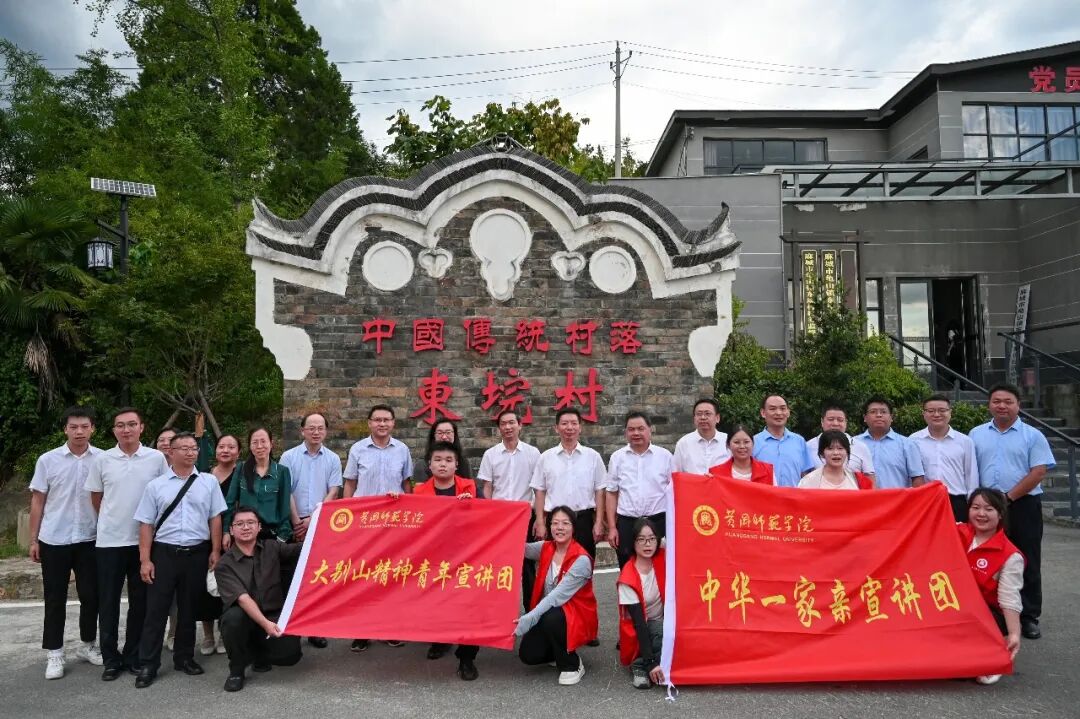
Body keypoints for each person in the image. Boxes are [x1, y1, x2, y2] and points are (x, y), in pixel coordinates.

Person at [132, 431, 227, 688]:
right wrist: (145, 560)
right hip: (164, 553)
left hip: (197, 553)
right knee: (156, 610)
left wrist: (215, 550)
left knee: (188, 608)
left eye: (193, 448)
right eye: (183, 448)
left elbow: (215, 518)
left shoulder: (208, 482)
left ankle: (184, 657)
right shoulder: (156, 486)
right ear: (170, 452)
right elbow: (145, 524)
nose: (190, 452)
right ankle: (148, 663)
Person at [85, 407, 170, 681]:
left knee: (140, 603)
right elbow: (97, 497)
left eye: (132, 424)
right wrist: (111, 519)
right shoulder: (102, 460)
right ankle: (111, 659)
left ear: (141, 427)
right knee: (108, 602)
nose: (126, 430)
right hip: (109, 542)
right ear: (114, 430)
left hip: (144, 543)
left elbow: (163, 493)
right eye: (120, 425)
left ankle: (134, 655)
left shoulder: (156, 458)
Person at [969, 383, 1054, 640]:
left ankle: (1028, 617)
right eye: (996, 401)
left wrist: (1007, 498)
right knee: (983, 558)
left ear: (1018, 405)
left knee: (1026, 559)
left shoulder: (1033, 436)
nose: (1002, 406)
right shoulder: (976, 434)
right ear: (989, 405)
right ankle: (990, 614)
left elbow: (1038, 472)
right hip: (985, 508)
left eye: (1008, 401)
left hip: (1022, 505)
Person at [28, 406, 104, 680]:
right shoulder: (48, 460)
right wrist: (33, 539)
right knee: (54, 598)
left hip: (90, 538)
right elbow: (38, 501)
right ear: (65, 429)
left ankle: (87, 644)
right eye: (74, 427)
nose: (79, 431)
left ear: (92, 428)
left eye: (84, 426)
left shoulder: (103, 459)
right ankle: (55, 653)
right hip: (54, 538)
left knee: (91, 596)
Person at [342, 404, 413, 651]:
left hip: (393, 524)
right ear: (369, 423)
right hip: (365, 523)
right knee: (363, 576)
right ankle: (362, 631)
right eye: (377, 420)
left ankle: (389, 628)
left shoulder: (402, 450)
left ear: (393, 423)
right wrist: (348, 516)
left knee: (391, 576)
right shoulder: (357, 449)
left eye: (386, 420)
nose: (382, 424)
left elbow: (407, 485)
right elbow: (350, 484)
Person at [214, 507, 304, 692]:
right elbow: (243, 599)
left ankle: (259, 655)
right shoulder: (224, 564)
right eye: (240, 524)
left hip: (272, 614)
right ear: (231, 530)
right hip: (245, 618)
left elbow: (303, 549)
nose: (246, 527)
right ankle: (237, 669)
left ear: (259, 527)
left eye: (251, 523)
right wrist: (266, 624)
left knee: (291, 656)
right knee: (233, 619)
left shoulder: (272, 547)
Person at [412, 442, 480, 680]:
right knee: (438, 603)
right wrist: (395, 502)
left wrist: (471, 506)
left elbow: (487, 515)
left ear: (456, 465)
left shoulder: (469, 487)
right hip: (433, 558)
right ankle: (440, 640)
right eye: (438, 460)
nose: (443, 464)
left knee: (468, 607)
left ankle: (466, 658)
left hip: (465, 557)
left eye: (448, 460)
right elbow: (411, 521)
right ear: (429, 465)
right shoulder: (419, 492)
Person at [279, 412, 341, 649]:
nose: (316, 432)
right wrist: (297, 522)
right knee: (293, 577)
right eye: (311, 427)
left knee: (317, 578)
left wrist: (313, 520)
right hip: (293, 524)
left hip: (320, 525)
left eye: (320, 428)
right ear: (302, 430)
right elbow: (286, 491)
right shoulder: (288, 457)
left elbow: (333, 491)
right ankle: (292, 626)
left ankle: (315, 628)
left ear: (326, 431)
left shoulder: (332, 458)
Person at [516, 506, 598, 686]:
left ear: (573, 528)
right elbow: (519, 549)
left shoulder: (581, 560)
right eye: (555, 523)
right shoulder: (546, 547)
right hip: (550, 613)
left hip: (576, 616)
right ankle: (558, 650)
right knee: (528, 655)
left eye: (565, 523)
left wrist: (530, 617)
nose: (559, 528)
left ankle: (572, 663)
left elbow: (557, 597)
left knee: (552, 616)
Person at [957, 488, 1023, 685]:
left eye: (989, 509)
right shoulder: (956, 531)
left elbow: (1009, 598)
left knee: (961, 670)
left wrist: (1014, 634)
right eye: (976, 507)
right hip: (952, 606)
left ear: (1000, 514)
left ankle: (992, 655)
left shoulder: (1010, 556)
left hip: (986, 614)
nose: (981, 514)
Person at [477, 410, 541, 602]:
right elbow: (487, 487)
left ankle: (531, 610)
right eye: (503, 424)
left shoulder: (532, 453)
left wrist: (539, 518)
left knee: (527, 564)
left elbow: (539, 488)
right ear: (499, 428)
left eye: (511, 422)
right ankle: (500, 609)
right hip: (499, 517)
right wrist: (487, 516)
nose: (507, 427)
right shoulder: (490, 455)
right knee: (498, 563)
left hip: (525, 515)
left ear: (520, 425)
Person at [531, 408, 606, 558]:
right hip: (555, 522)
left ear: (580, 427)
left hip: (583, 520)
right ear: (556, 428)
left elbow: (600, 491)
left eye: (573, 423)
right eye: (564, 423)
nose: (569, 427)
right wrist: (540, 522)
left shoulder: (593, 456)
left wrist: (599, 522)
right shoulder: (546, 457)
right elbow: (539, 491)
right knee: (555, 564)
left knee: (584, 564)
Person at [605, 412, 673, 568]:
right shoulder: (617, 457)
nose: (636, 433)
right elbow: (611, 493)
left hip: (658, 521)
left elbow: (675, 491)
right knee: (627, 567)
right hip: (627, 522)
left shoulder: (665, 456)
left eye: (640, 428)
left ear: (650, 429)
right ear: (626, 432)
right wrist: (612, 527)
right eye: (631, 429)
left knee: (660, 568)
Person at [195, 434, 241, 656]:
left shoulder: (242, 475)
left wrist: (229, 531)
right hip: (205, 536)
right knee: (204, 587)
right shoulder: (203, 475)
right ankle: (208, 635)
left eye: (231, 447)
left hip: (233, 538)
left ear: (238, 452)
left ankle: (224, 632)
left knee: (228, 587)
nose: (226, 450)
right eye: (222, 446)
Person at [911, 395, 979, 521]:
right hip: (925, 501)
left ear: (950, 412)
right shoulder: (913, 440)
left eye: (942, 410)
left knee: (957, 534)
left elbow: (971, 475)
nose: (937, 414)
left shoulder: (965, 441)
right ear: (924, 414)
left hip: (956, 500)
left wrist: (973, 504)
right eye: (931, 411)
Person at [617, 518, 666, 689]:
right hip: (639, 631)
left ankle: (660, 661)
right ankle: (640, 664)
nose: (648, 544)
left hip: (662, 623)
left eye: (652, 538)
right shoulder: (627, 577)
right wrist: (651, 662)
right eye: (641, 539)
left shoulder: (662, 557)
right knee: (662, 631)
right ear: (633, 542)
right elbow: (639, 624)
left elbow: (681, 539)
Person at [223, 427, 293, 544]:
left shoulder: (282, 472)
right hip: (244, 534)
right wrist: (226, 531)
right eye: (255, 442)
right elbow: (230, 502)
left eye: (263, 441)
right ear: (250, 446)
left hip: (271, 535)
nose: (259, 446)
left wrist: (281, 538)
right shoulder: (241, 468)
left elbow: (285, 509)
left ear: (271, 444)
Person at [856, 397, 925, 489]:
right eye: (873, 412)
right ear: (865, 418)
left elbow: (917, 478)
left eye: (883, 412)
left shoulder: (907, 444)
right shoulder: (854, 443)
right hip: (861, 497)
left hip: (897, 498)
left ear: (891, 417)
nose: (879, 415)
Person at [753, 395, 814, 488]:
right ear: (763, 413)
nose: (778, 413)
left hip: (793, 496)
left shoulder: (799, 441)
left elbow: (806, 475)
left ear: (788, 412)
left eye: (782, 408)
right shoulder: (753, 442)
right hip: (764, 496)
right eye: (772, 409)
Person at [805, 404, 875, 477]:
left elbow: (869, 478)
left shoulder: (860, 447)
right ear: (822, 422)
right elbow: (804, 476)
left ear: (846, 422)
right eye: (831, 419)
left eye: (840, 420)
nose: (835, 424)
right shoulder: (808, 446)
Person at [797, 431, 875, 490]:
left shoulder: (859, 481)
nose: (836, 453)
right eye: (830, 448)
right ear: (822, 453)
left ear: (847, 452)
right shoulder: (808, 481)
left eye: (840, 448)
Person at [672, 398, 729, 474]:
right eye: (699, 414)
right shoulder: (683, 443)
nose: (703, 417)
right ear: (694, 418)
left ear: (717, 418)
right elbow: (676, 473)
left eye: (707, 414)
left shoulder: (728, 441)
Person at [414, 418, 473, 486]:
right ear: (433, 436)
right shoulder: (422, 465)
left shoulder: (464, 462)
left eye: (448, 432)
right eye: (440, 433)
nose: (444, 437)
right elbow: (420, 491)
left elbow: (469, 487)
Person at [708, 424, 774, 484]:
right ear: (728, 445)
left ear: (753, 443)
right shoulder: (715, 474)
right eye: (736, 442)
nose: (742, 446)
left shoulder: (768, 471)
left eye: (746, 442)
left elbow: (775, 492)